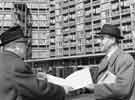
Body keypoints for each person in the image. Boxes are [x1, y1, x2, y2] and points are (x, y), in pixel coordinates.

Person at [0, 25, 71, 100]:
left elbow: (16, 82)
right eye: (25, 43)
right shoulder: (16, 64)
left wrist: (34, 78)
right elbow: (39, 90)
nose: (27, 47)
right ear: (15, 46)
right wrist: (62, 90)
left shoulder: (3, 60)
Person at [84, 24, 135, 100]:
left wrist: (96, 88)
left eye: (102, 38)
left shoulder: (125, 59)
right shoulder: (104, 60)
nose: (98, 41)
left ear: (112, 40)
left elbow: (122, 89)